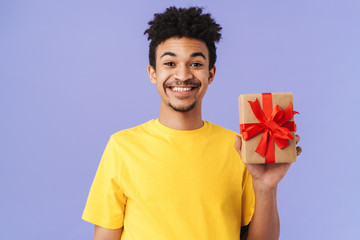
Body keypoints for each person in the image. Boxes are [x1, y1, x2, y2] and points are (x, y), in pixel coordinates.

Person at [82, 6, 302, 240]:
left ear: (211, 74)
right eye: (169, 63)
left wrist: (266, 187)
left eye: (196, 64)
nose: (183, 75)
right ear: (153, 73)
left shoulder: (239, 148)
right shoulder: (122, 147)